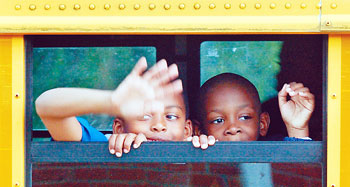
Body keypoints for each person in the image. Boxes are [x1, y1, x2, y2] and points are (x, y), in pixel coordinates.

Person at [35, 57, 194, 157]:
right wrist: (110, 102)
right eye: (145, 115)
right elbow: (45, 106)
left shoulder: (194, 150)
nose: (159, 126)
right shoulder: (108, 147)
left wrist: (201, 147)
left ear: (187, 130)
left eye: (171, 116)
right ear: (118, 128)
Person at [191, 73, 315, 147]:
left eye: (245, 117)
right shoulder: (201, 151)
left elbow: (299, 171)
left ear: (262, 124)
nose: (233, 128)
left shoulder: (274, 151)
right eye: (218, 120)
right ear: (199, 130)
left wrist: (297, 129)